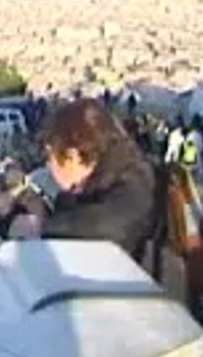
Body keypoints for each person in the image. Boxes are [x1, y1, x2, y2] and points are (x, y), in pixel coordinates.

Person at [10, 98, 158, 263]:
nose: (49, 166)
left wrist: (40, 228)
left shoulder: (132, 183)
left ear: (72, 156)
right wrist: (43, 211)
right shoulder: (118, 170)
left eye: (50, 157)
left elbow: (102, 227)